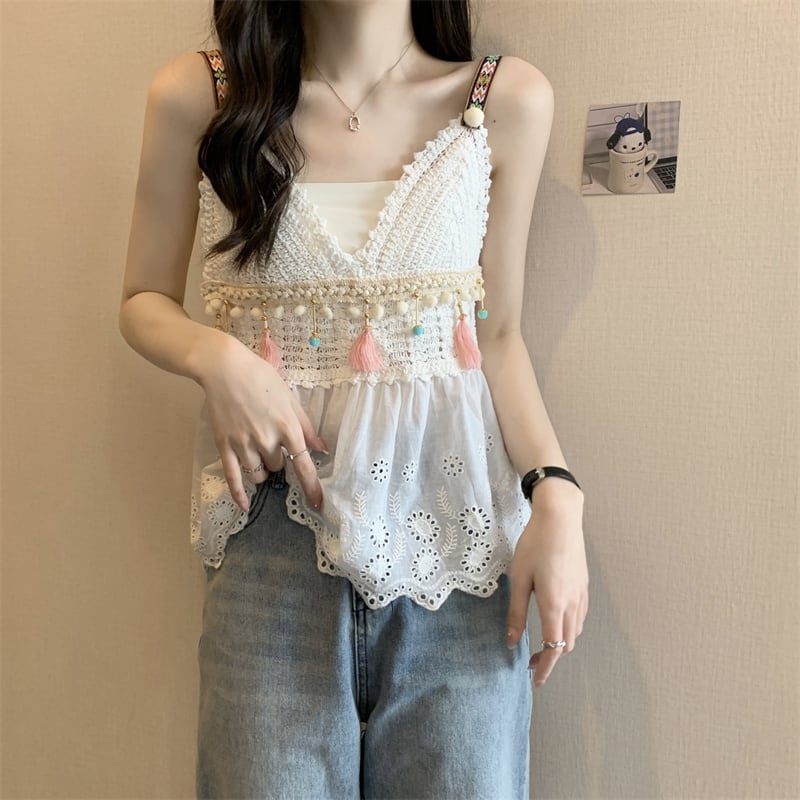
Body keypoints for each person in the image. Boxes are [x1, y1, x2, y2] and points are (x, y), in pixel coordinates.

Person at [120, 0, 588, 797]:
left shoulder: (502, 100)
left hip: (459, 541)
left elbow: (498, 335)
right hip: (270, 530)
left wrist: (557, 494)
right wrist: (217, 358)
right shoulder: (203, 97)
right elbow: (142, 299)